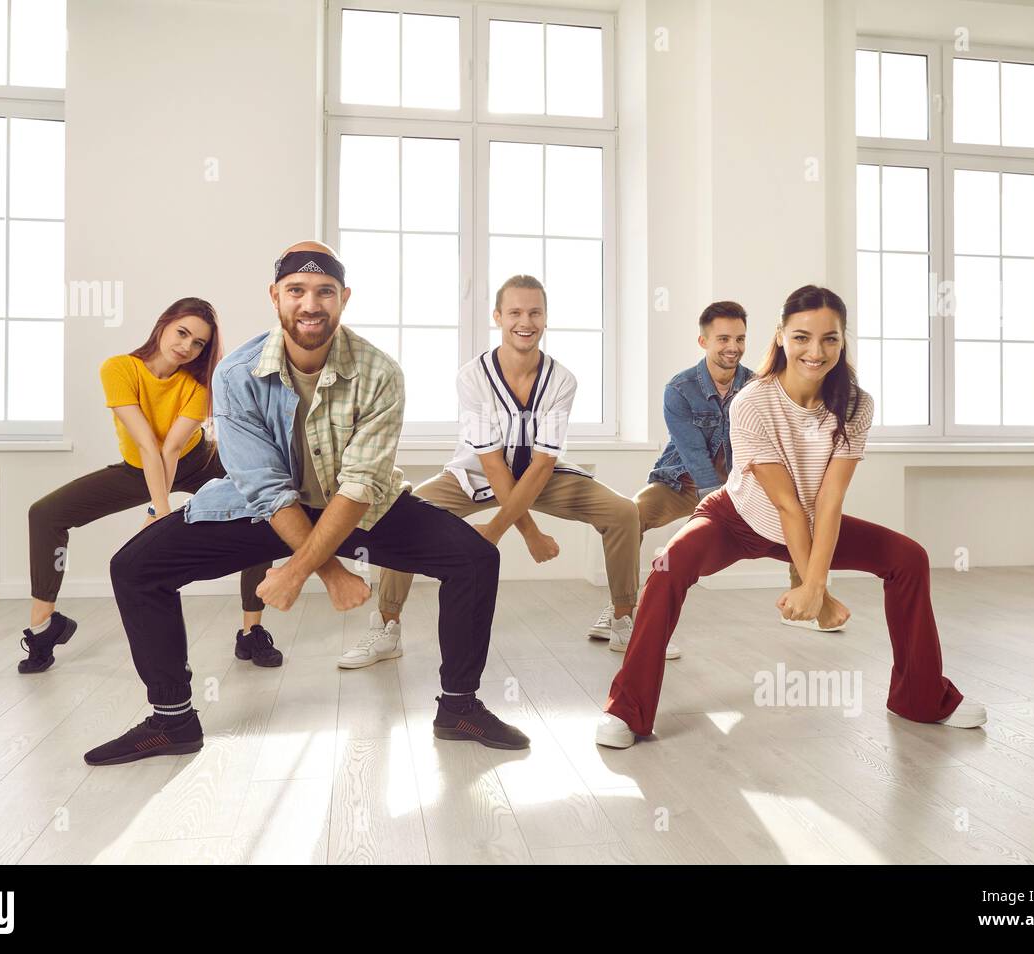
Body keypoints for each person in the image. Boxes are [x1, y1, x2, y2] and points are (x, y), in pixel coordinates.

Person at [83, 242, 529, 766]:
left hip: (355, 506)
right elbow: (265, 488)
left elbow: (360, 484)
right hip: (264, 508)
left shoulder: (380, 372)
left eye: (324, 292)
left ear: (344, 299)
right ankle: (173, 720)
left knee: (475, 558)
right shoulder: (234, 374)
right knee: (134, 567)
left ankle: (459, 708)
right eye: (296, 291)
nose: (310, 304)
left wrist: (295, 570)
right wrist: (330, 574)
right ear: (276, 297)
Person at [596, 284, 986, 749]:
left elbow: (828, 499)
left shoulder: (856, 405)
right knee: (666, 568)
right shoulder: (753, 402)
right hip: (737, 517)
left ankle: (921, 698)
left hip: (811, 520)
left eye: (830, 339)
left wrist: (814, 584)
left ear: (843, 341)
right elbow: (783, 503)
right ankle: (628, 711)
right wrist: (816, 595)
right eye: (801, 337)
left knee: (908, 558)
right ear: (780, 336)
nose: (815, 351)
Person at [339, 275, 655, 669]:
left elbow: (541, 466)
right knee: (402, 515)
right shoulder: (472, 377)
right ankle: (387, 627)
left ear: (545, 318)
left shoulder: (562, 380)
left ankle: (623, 619)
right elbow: (492, 464)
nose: (526, 321)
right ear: (498, 317)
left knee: (623, 512)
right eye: (515, 312)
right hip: (474, 476)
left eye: (535, 312)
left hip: (543, 478)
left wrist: (494, 530)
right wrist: (530, 534)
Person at [21, 298, 275, 674]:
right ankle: (44, 627)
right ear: (164, 325)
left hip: (201, 462)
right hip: (141, 465)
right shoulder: (119, 368)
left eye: (198, 343)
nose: (186, 346)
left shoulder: (198, 385)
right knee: (45, 514)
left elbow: (173, 447)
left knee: (259, 510)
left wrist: (157, 511)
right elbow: (147, 446)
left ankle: (251, 632)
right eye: (182, 333)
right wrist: (159, 506)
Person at [620, 300, 847, 636]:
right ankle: (621, 611)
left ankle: (811, 598)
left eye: (740, 339)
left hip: (745, 485)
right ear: (704, 342)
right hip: (683, 483)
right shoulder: (679, 390)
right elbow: (695, 455)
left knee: (800, 504)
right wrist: (719, 513)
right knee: (630, 514)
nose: (733, 347)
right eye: (723, 339)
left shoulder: (760, 386)